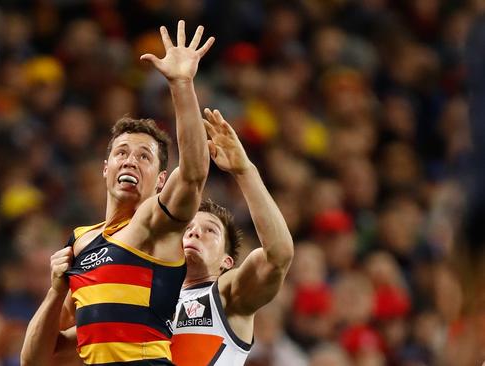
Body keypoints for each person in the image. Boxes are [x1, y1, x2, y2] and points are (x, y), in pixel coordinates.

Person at [20, 20, 215, 366]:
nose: (131, 161)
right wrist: (55, 291)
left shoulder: (155, 224)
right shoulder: (79, 242)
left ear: (160, 180)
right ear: (105, 167)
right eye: (122, 153)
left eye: (144, 157)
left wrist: (182, 85)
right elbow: (35, 359)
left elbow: (195, 173)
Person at [169, 110, 294, 365]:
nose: (195, 232)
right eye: (189, 227)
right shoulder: (148, 296)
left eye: (210, 230)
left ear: (227, 262)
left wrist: (245, 171)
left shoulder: (226, 294)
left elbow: (278, 256)